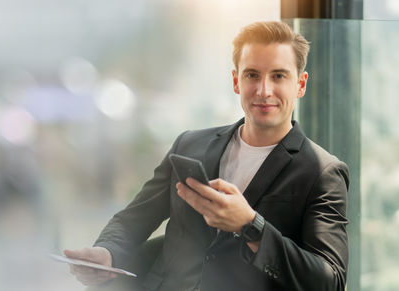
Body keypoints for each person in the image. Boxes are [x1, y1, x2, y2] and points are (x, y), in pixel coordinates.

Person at [65, 21, 349, 291]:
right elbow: (134, 219)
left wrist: (251, 226)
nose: (264, 90)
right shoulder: (189, 145)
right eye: (252, 75)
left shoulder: (322, 172)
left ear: (300, 84)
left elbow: (329, 281)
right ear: (236, 81)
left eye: (278, 76)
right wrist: (107, 252)